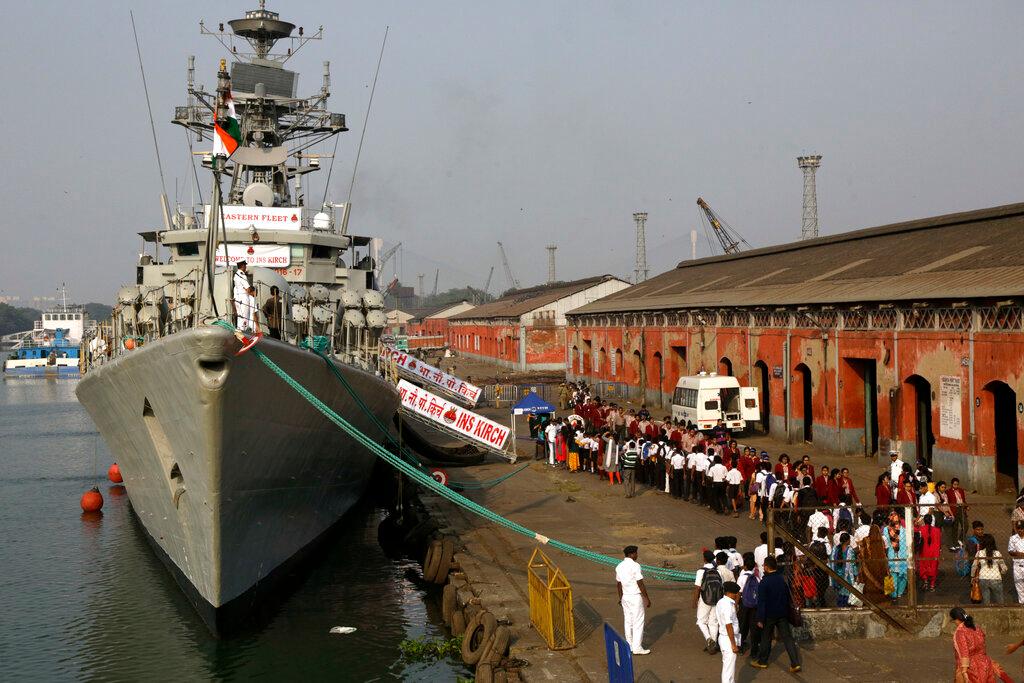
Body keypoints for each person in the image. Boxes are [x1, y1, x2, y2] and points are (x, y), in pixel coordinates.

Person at [752, 556, 801, 672]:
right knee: (787, 638)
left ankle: (763, 661)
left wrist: (760, 618)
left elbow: (761, 603)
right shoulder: (781, 579)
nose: (763, 567)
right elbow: (787, 597)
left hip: (769, 615)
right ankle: (795, 663)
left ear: (767, 567)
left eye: (764, 565)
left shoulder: (764, 583)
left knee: (766, 637)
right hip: (782, 613)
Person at [949, 607, 1013, 683]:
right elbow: (982, 646)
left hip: (971, 668)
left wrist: (964, 672)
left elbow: (964, 652)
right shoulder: (977, 628)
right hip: (986, 663)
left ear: (956, 619)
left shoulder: (960, 632)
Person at [615, 545, 651, 655]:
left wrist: (621, 598)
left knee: (628, 621)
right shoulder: (635, 566)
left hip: (625, 596)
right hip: (635, 596)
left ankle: (629, 645)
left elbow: (619, 584)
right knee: (638, 621)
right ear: (631, 554)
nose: (637, 555)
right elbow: (640, 583)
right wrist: (646, 598)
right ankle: (637, 647)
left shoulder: (619, 566)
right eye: (636, 553)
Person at [694, 550, 723, 653]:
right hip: (717, 599)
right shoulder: (718, 571)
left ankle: (709, 639)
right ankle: (713, 644)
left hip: (704, 599)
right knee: (713, 622)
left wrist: (694, 601)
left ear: (704, 559)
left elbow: (697, 588)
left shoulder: (700, 571)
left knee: (701, 621)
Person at [717, 581, 742, 683]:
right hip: (728, 639)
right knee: (728, 670)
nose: (737, 595)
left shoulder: (721, 602)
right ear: (731, 593)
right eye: (736, 593)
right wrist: (733, 644)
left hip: (725, 637)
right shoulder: (727, 605)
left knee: (729, 668)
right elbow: (729, 625)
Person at [972, 535, 1007, 605]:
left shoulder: (979, 553)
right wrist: (1002, 573)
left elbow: (974, 566)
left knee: (986, 602)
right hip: (996, 578)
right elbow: (1004, 568)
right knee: (1000, 601)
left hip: (983, 578)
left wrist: (973, 576)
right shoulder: (997, 553)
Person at [883, 518, 909, 601]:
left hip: (891, 556)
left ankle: (891, 595)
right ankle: (899, 594)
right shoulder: (905, 531)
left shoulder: (886, 530)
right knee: (902, 576)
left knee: (890, 575)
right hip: (902, 557)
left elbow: (885, 544)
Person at [917, 513, 941, 592]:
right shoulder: (937, 530)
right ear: (931, 521)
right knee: (933, 567)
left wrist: (917, 522)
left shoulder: (920, 529)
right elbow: (938, 543)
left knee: (923, 566)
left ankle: (925, 581)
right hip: (934, 552)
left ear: (924, 521)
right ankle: (932, 585)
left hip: (924, 552)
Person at [948, 478, 969, 546]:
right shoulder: (948, 491)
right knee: (955, 527)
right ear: (952, 484)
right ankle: (954, 542)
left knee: (965, 525)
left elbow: (963, 500)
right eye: (954, 484)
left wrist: (966, 506)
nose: (956, 486)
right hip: (954, 510)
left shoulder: (961, 490)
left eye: (957, 484)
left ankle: (960, 539)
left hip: (961, 509)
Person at [1007, 522, 1024, 604]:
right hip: (1017, 565)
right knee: (1019, 584)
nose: (1020, 530)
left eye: (1022, 528)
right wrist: (1017, 554)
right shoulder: (1013, 538)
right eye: (1019, 528)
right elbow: (1010, 551)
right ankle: (1022, 603)